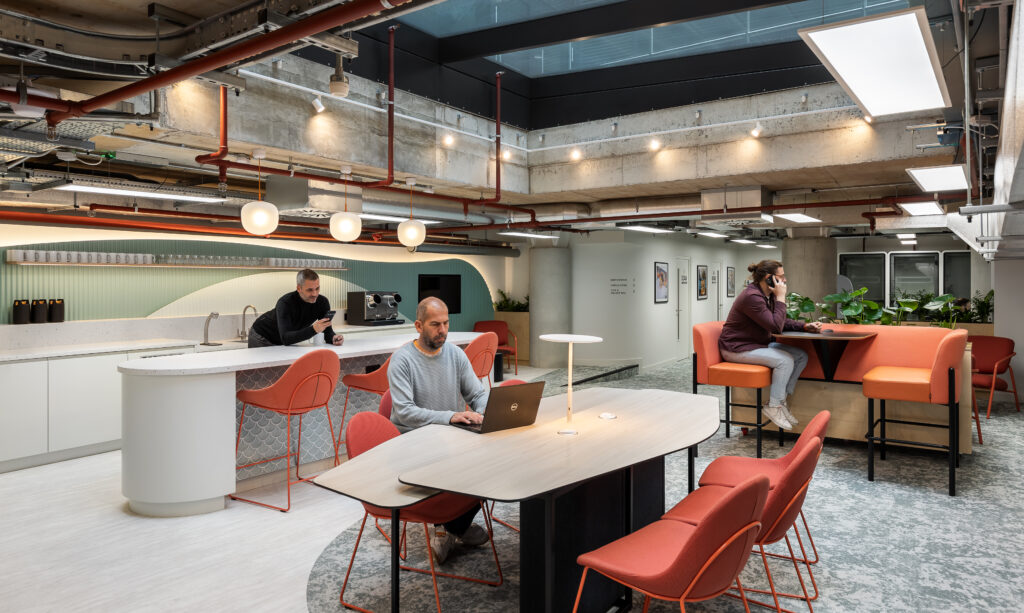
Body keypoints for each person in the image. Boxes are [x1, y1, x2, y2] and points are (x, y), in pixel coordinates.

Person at [388, 297, 490, 564]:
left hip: (450, 436)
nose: (443, 330)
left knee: (494, 464)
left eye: (446, 323)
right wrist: (451, 416)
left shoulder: (455, 354)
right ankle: (450, 526)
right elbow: (404, 412)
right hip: (412, 442)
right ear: (419, 326)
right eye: (435, 324)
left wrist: (486, 409)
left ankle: (452, 526)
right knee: (462, 467)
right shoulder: (402, 360)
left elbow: (477, 393)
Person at [718, 260, 822, 430]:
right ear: (768, 278)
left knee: (801, 356)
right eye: (781, 277)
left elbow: (779, 321)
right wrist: (781, 298)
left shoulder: (767, 295)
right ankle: (774, 406)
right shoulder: (751, 297)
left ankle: (780, 402)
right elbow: (775, 327)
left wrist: (804, 326)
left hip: (756, 345)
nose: (785, 280)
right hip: (735, 348)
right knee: (785, 360)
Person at [248, 269, 344, 348]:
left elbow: (327, 332)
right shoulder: (285, 303)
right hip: (261, 335)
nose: (315, 294)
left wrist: (333, 338)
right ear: (299, 288)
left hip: (284, 340)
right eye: (310, 290)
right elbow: (286, 338)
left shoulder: (322, 302)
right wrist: (313, 329)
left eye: (317, 288)